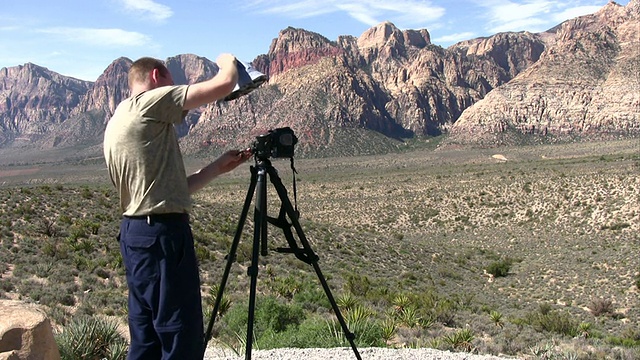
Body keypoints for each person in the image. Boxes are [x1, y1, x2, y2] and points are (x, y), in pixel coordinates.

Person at [103, 54, 251, 359]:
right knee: (179, 335)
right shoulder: (150, 101)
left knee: (146, 339)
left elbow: (166, 192)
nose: (176, 91)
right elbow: (223, 84)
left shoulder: (120, 117)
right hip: (162, 237)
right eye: (173, 81)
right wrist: (228, 62)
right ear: (157, 77)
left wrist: (216, 168)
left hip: (137, 236)